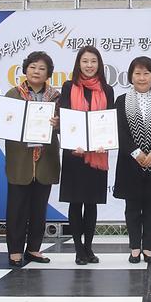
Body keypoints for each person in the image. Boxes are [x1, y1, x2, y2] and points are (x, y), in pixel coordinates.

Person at [115, 57, 151, 264]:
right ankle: (134, 247)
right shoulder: (121, 100)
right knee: (132, 207)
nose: (142, 78)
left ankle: (148, 247)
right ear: (131, 76)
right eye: (138, 73)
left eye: (146, 73)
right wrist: (136, 152)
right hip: (129, 162)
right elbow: (119, 131)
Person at [59, 45, 114, 265]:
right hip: (75, 154)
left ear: (99, 64)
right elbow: (64, 117)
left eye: (93, 61)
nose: (89, 65)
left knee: (91, 203)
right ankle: (78, 250)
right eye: (85, 61)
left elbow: (109, 120)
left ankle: (89, 248)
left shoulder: (107, 89)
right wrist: (74, 142)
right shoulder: (68, 87)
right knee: (75, 202)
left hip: (97, 155)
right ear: (78, 64)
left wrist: (106, 142)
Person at [4, 51, 60, 266]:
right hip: (21, 159)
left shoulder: (56, 97)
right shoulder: (13, 95)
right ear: (25, 69)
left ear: (48, 74)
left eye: (42, 68)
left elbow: (67, 124)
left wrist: (58, 124)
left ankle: (34, 249)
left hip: (45, 160)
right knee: (17, 207)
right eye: (33, 67)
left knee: (39, 207)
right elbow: (5, 123)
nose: (37, 72)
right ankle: (15, 250)